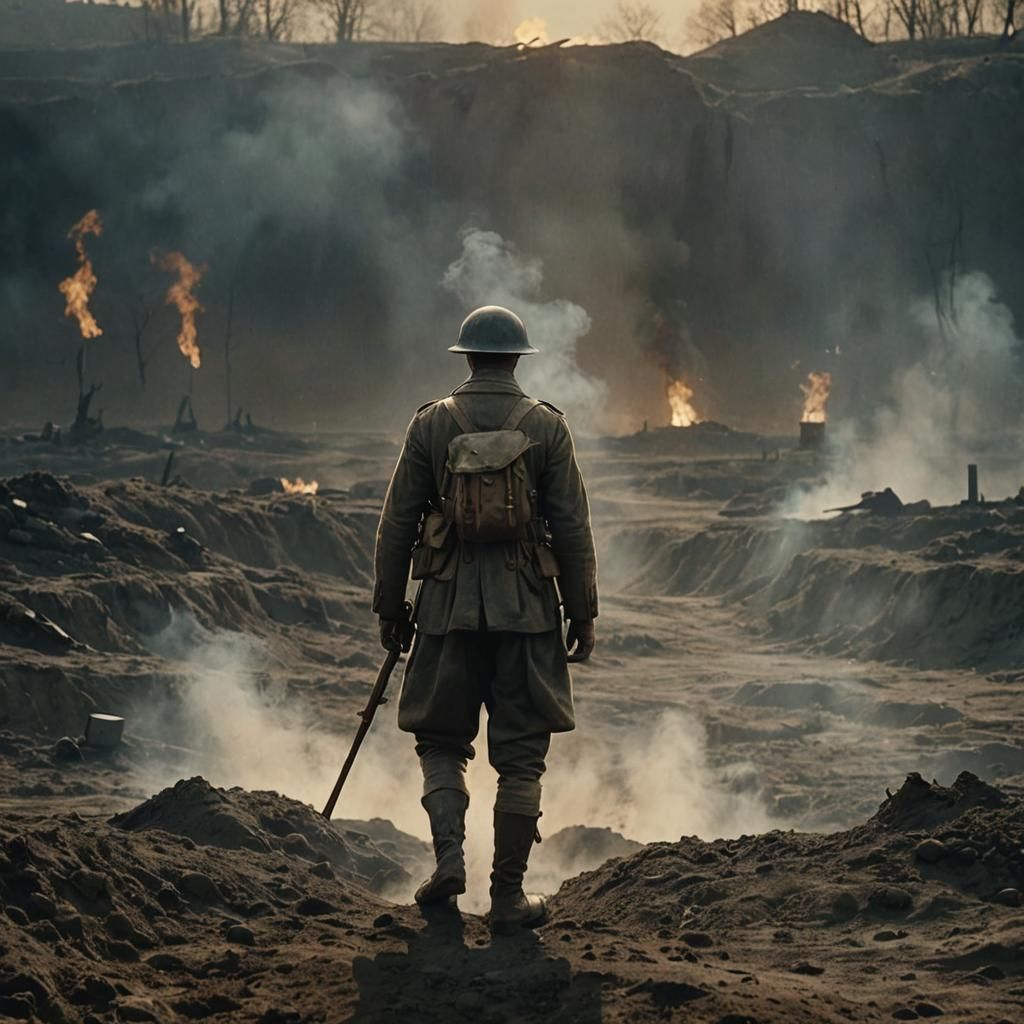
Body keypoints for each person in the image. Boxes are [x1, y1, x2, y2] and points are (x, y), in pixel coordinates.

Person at [373, 305, 598, 934]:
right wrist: (583, 613)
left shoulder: (431, 423)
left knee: (442, 742)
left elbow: (396, 523)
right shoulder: (547, 426)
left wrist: (389, 608)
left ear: (468, 356)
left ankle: (449, 862)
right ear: (517, 359)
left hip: (445, 610)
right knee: (522, 757)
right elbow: (573, 528)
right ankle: (507, 898)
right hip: (527, 612)